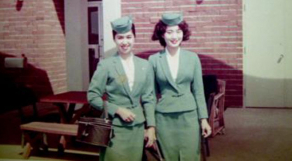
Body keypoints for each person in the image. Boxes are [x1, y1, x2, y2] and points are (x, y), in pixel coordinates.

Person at [87, 16, 156, 161]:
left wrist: (151, 127)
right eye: (120, 37)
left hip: (137, 128)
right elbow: (92, 96)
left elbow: (149, 98)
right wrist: (117, 109)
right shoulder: (106, 65)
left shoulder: (145, 65)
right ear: (115, 39)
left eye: (129, 37)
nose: (125, 42)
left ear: (134, 38)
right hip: (115, 129)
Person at [149, 12, 212, 161]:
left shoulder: (193, 58)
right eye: (169, 32)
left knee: (190, 156)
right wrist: (151, 125)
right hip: (164, 119)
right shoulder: (153, 60)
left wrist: (203, 119)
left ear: (183, 33)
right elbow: (150, 95)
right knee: (168, 157)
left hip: (189, 117)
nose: (174, 36)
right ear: (162, 35)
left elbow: (198, 91)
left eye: (178, 31)